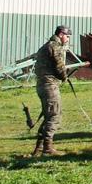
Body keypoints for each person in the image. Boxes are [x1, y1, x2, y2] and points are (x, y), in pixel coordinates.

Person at [32, 25, 71, 156]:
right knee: (54, 116)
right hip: (50, 85)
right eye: (67, 36)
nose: (68, 39)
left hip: (42, 85)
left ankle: (39, 148)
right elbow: (59, 65)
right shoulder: (54, 46)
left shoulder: (45, 46)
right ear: (61, 34)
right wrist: (65, 76)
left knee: (48, 116)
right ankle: (47, 147)